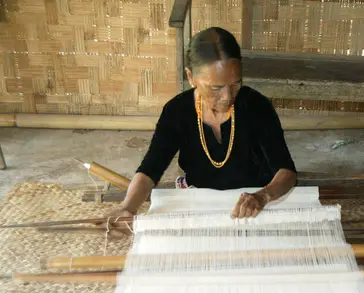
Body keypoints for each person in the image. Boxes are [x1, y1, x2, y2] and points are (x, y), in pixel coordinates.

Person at [108, 27, 297, 220]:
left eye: (235, 84)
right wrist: (128, 207)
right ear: (191, 77)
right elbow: (150, 169)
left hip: (253, 199)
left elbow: (286, 171)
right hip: (198, 198)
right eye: (216, 88)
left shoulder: (257, 106)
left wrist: (262, 196)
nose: (227, 97)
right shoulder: (177, 111)